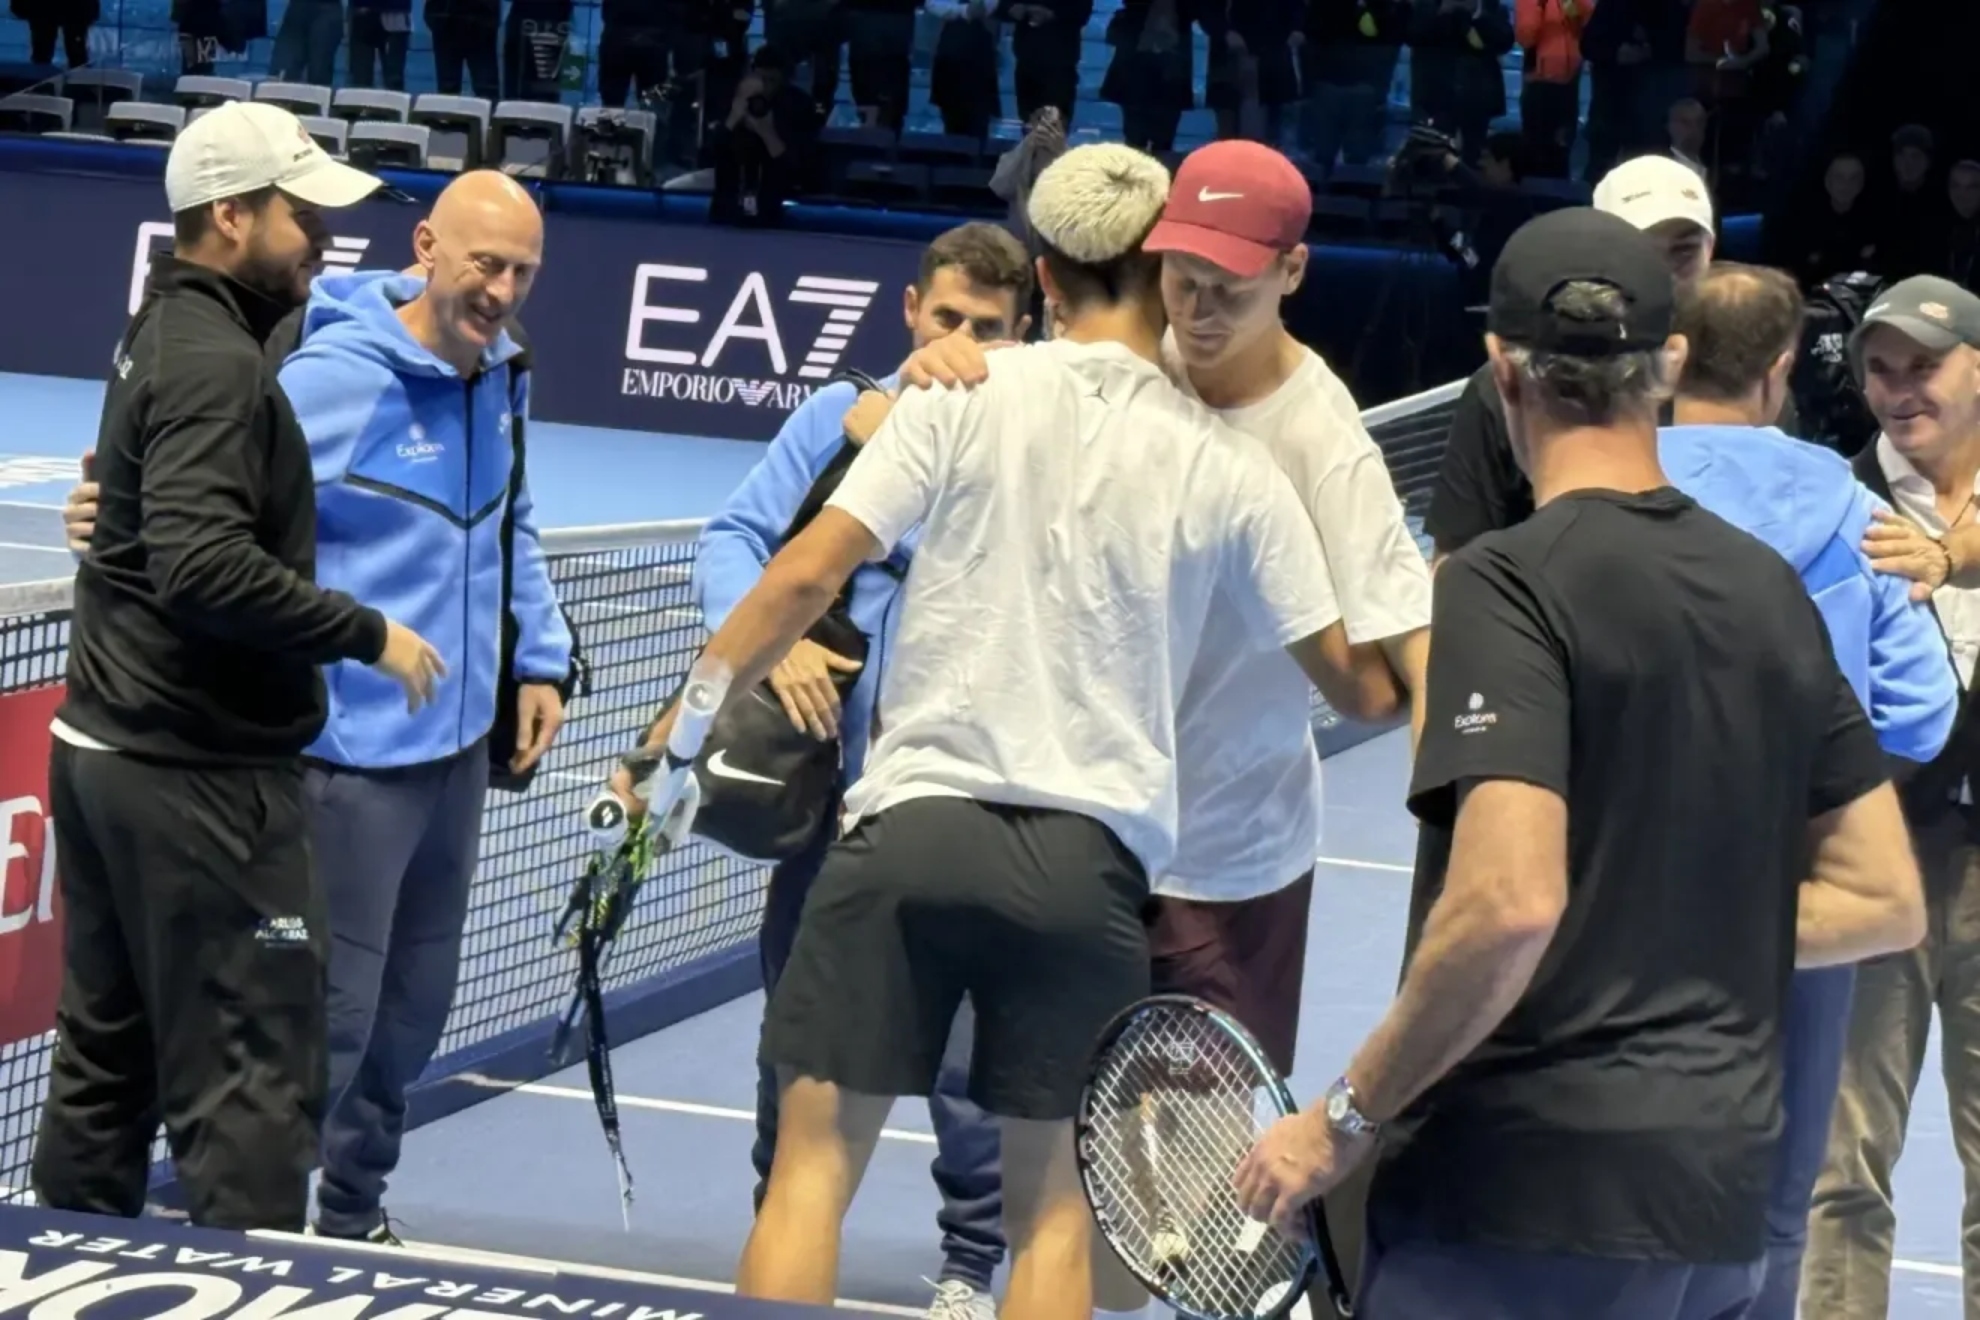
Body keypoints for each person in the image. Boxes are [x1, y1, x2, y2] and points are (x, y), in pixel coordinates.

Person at [612, 142, 1401, 1320]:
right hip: (1084, 879)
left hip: (904, 843)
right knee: (1052, 1221)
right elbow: (1367, 692)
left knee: (808, 1182)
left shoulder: (952, 400)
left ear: (1041, 277)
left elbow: (787, 585)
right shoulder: (1232, 469)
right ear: (1164, 263)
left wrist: (674, 749)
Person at [1234, 206, 1926, 1319]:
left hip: (1517, 1202)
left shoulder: (1501, 584)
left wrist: (1342, 1121)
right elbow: (1886, 901)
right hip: (1716, 1216)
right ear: (1669, 366)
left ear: (1501, 371)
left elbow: (1509, 901)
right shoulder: (1770, 592)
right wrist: (1674, 925)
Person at [890, 139, 1433, 1306]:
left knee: (1169, 1207)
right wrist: (932, 366)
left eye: (1235, 279)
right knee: (1057, 1158)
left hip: (1224, 871)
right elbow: (978, 396)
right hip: (1079, 835)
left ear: (1294, 271)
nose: (1200, 302)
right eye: (1183, 271)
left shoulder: (1319, 439)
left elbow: (1400, 678)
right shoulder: (1121, 366)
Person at [54, 172, 576, 1245]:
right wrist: (113, 513)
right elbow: (197, 488)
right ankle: (275, 1237)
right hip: (346, 767)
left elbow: (514, 519)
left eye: (523, 271)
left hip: (459, 757)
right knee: (321, 1022)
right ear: (427, 246)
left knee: (414, 1019)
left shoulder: (506, 371)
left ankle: (354, 1214)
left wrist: (544, 661)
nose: (502, 289)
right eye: (485, 263)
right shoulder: (334, 376)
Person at [31, 101, 445, 1232]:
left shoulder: (168, 328)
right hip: (203, 791)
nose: (322, 233)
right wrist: (368, 632)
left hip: (110, 753)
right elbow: (205, 566)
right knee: (256, 1072)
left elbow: (158, 522)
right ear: (230, 214)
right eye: (299, 212)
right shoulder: (216, 361)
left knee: (106, 1064)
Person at [693, 219, 1033, 1320]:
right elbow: (735, 538)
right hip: (830, 806)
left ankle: (970, 1269)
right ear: (910, 313)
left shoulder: (1033, 437)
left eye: (988, 325)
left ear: (1024, 330)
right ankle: (777, 1240)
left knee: (969, 1050)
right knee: (796, 1032)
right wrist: (774, 641)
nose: (962, 339)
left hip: (967, 796)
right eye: (947, 317)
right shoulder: (836, 416)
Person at [1655, 261, 1958, 1320]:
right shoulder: (1848, 506)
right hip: (1804, 897)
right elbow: (1921, 711)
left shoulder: (1603, 491)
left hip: (1620, 887)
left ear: (1671, 355)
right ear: (1786, 368)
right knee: (1787, 1190)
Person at [1804, 275, 1980, 1319]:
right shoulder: (1836, 501)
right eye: (1881, 368)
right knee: (1843, 1162)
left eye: (1925, 364)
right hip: (1872, 866)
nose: (1900, 388)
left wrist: (1955, 554)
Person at [1423, 152, 1797, 560]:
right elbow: (1454, 560)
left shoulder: (1749, 382)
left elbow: (1795, 532)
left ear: (1711, 249)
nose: (1663, 276)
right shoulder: (1517, 380)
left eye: (1683, 252)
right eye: (1640, 254)